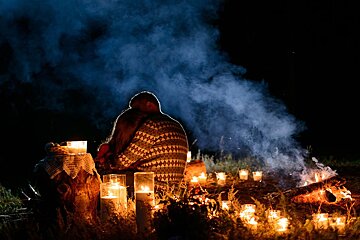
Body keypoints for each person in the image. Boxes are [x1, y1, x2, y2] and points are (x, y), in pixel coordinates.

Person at [95, 91, 189, 191]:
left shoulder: (152, 125)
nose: (135, 113)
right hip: (173, 189)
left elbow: (121, 162)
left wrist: (102, 163)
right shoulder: (176, 125)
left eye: (137, 109)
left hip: (151, 185)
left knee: (104, 177)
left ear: (149, 105)